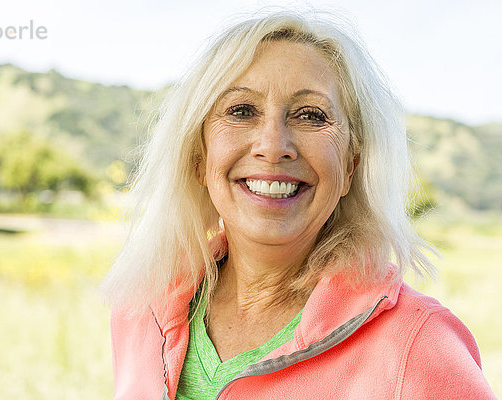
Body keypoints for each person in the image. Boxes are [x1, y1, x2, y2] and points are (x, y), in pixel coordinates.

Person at [100, 9, 496, 399]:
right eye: (241, 110)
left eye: (311, 115)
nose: (273, 147)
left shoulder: (420, 343)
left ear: (350, 166)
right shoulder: (142, 306)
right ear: (199, 159)